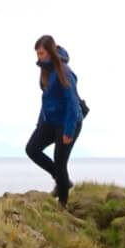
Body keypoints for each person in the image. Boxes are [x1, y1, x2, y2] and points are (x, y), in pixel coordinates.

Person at [25, 35, 83, 207]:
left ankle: (63, 203)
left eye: (41, 53)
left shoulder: (63, 71)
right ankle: (61, 180)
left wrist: (68, 131)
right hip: (50, 121)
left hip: (68, 121)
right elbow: (46, 101)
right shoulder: (45, 71)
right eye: (37, 54)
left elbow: (72, 103)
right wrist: (40, 123)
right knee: (32, 149)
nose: (39, 57)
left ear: (50, 52)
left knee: (60, 161)